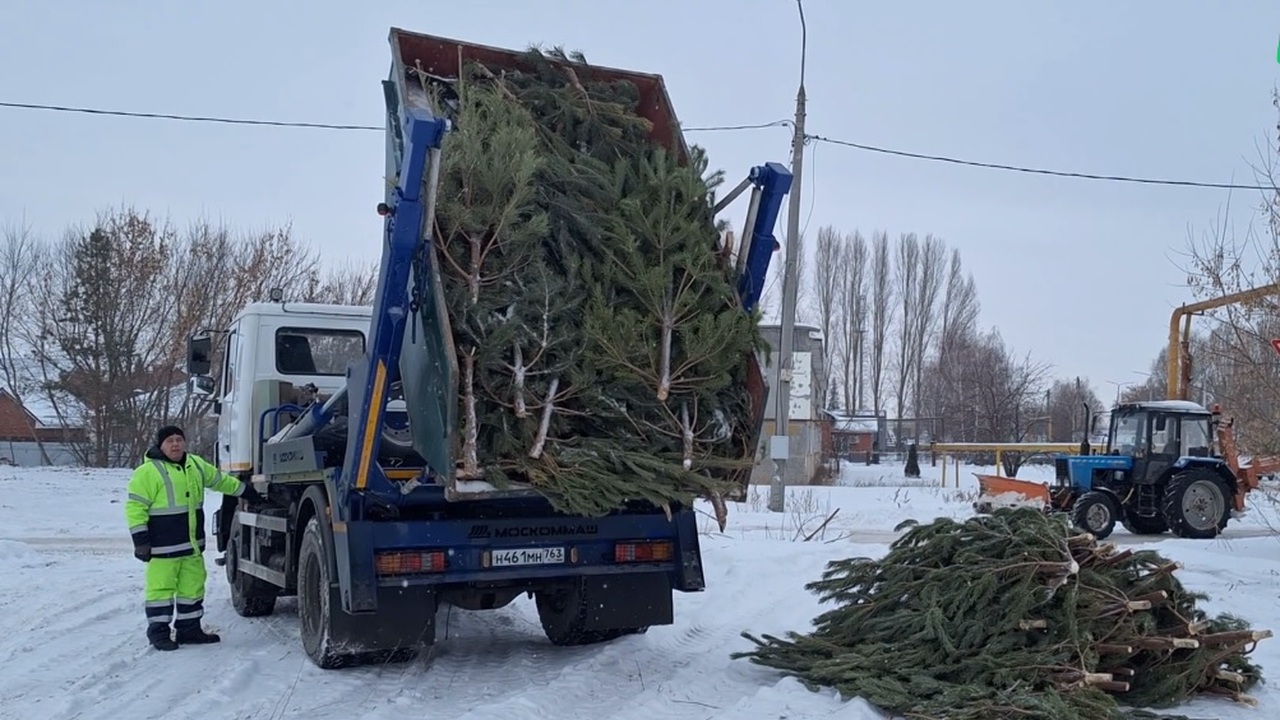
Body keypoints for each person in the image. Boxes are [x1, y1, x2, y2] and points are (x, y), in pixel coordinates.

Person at [124, 424, 262, 651]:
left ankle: (189, 630)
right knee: (160, 591)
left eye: (179, 439)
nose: (176, 444)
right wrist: (141, 541)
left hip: (191, 546)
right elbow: (135, 507)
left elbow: (220, 481)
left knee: (193, 588)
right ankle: (159, 634)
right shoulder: (147, 472)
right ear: (161, 445)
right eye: (170, 441)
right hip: (161, 547)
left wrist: (245, 491)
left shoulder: (195, 465)